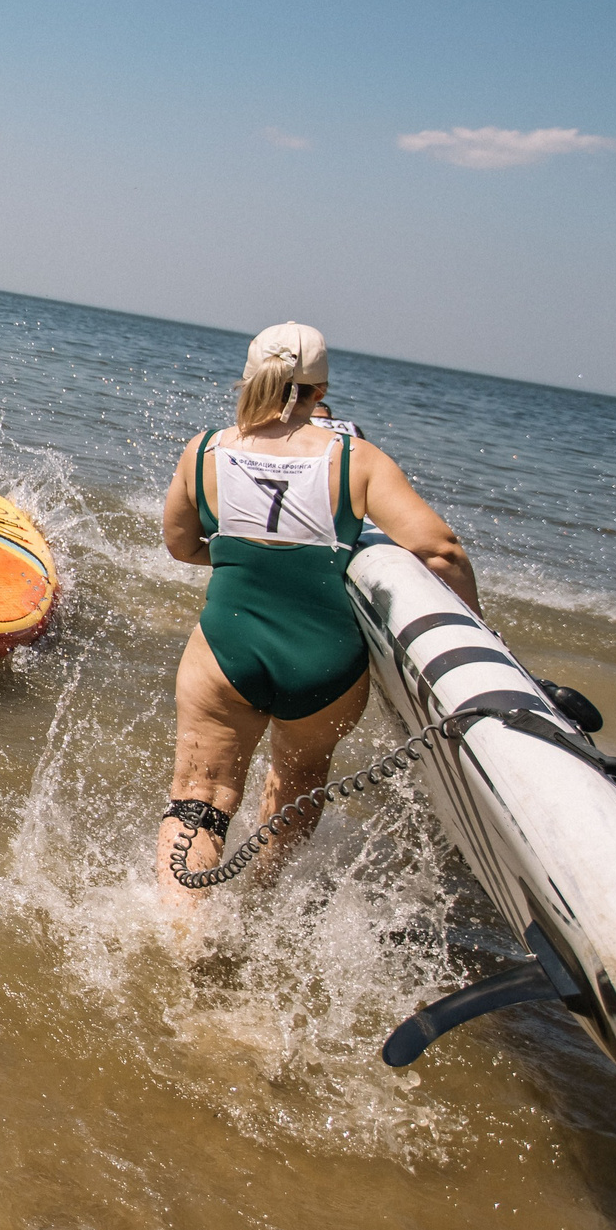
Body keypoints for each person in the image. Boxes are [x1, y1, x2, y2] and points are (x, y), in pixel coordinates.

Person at [155, 322, 476, 897]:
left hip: (227, 648)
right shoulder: (355, 458)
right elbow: (441, 551)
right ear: (320, 389)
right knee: (298, 780)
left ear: (250, 379)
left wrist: (241, 559)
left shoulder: (206, 449)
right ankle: (259, 905)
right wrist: (480, 633)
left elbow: (181, 545)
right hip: (324, 663)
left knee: (199, 797)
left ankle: (185, 945)